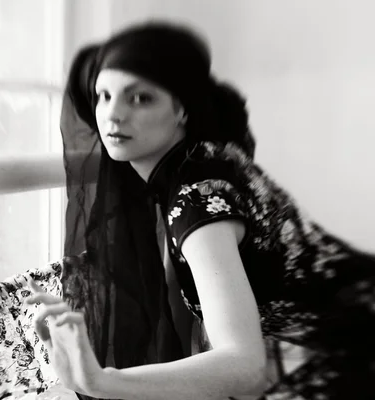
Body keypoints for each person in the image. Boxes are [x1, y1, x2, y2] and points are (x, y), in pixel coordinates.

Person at [25, 21, 375, 400]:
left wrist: (102, 381)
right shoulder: (210, 156)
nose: (113, 115)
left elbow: (244, 367)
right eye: (104, 96)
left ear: (183, 110)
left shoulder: (195, 200)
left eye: (140, 98)